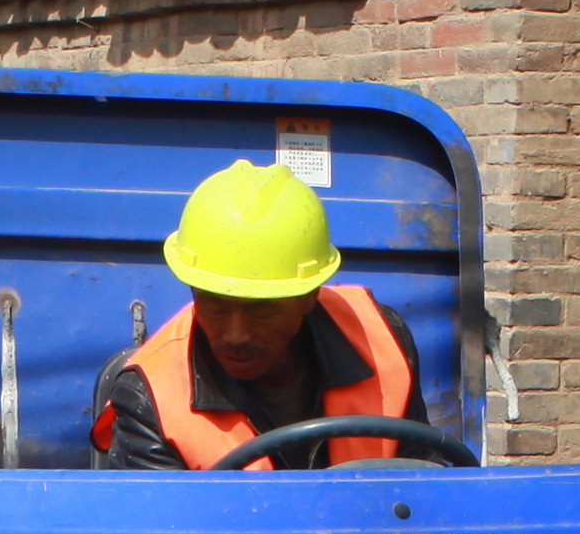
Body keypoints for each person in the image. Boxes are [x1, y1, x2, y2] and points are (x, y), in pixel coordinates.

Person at [95, 162, 423, 467]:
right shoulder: (149, 398)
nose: (235, 335)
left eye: (262, 310)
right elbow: (164, 525)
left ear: (309, 296)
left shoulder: (384, 341)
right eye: (216, 305)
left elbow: (422, 488)